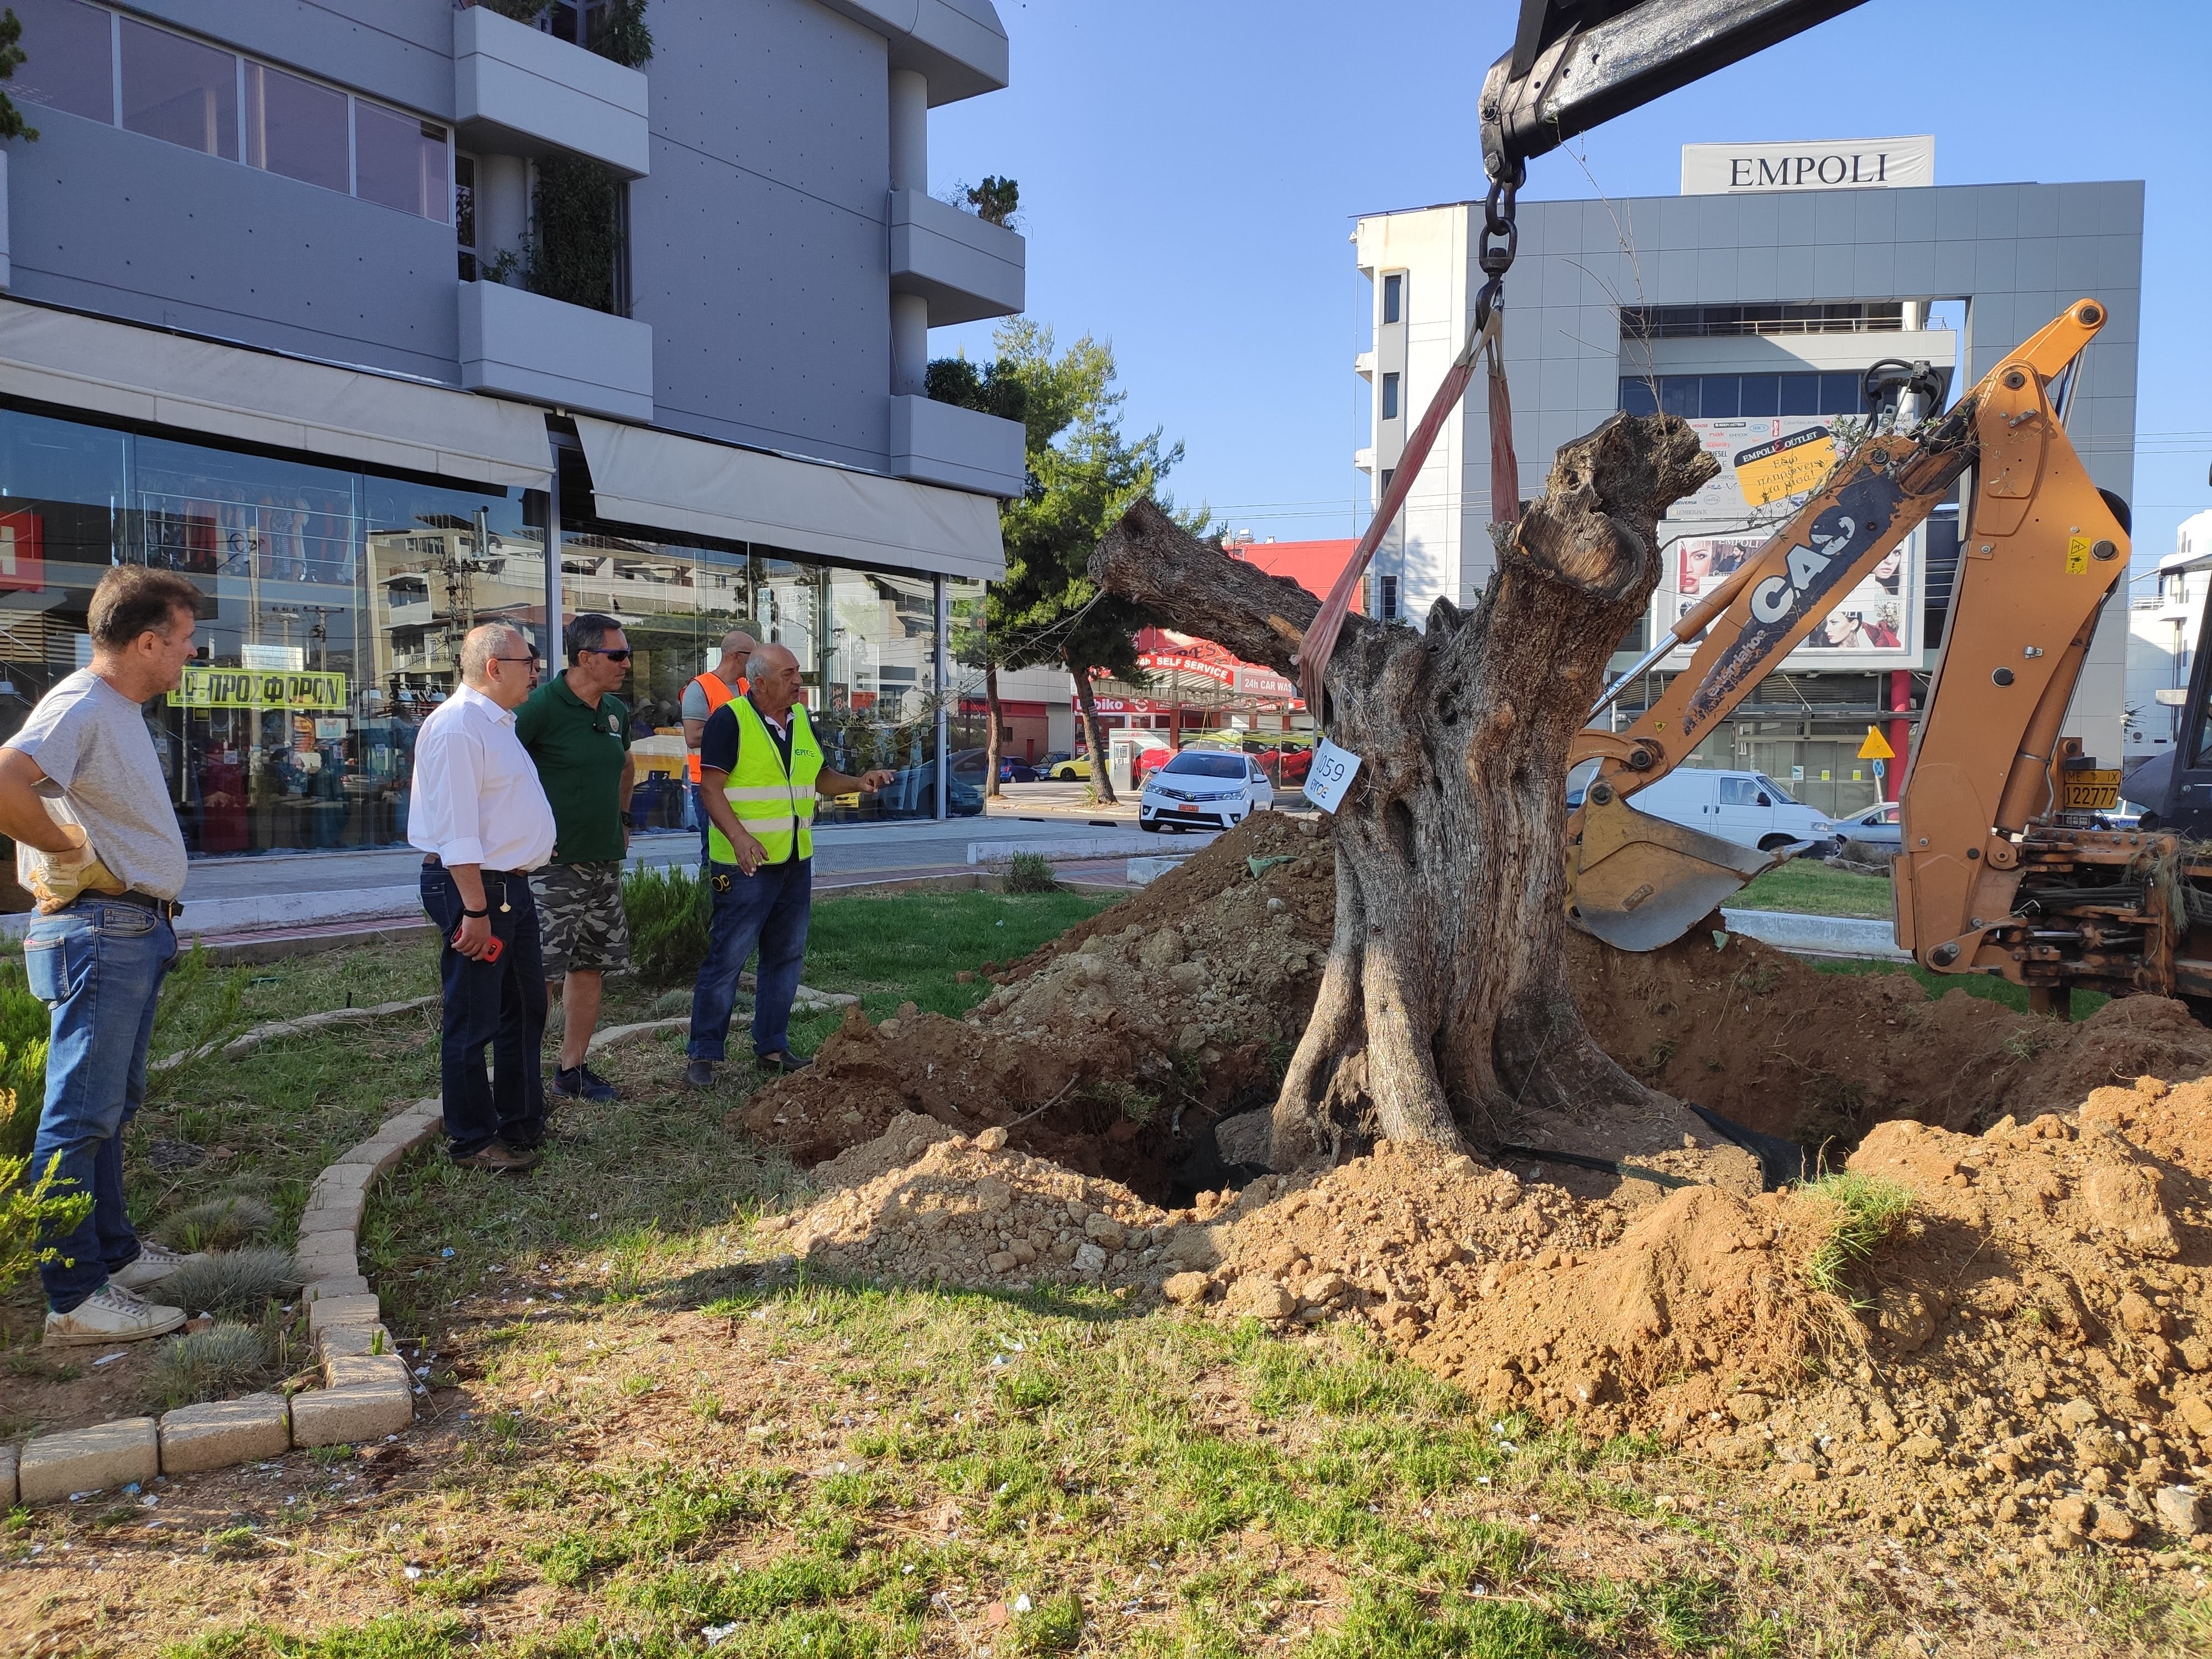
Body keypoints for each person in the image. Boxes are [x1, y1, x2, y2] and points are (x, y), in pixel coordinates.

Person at [0, 568, 204, 1345]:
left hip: (123, 929)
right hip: (98, 930)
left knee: (105, 1109)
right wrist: (67, 847)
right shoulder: (81, 703)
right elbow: (5, 781)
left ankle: (112, 1254)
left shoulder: (110, 709)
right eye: (184, 641)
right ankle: (75, 1297)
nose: (188, 655)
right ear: (149, 641)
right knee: (79, 1116)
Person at [685, 643, 895, 1087]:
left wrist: (859, 782)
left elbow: (818, 778)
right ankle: (703, 1056)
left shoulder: (801, 721)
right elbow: (711, 790)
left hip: (795, 860)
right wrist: (739, 838)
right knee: (727, 959)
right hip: (744, 866)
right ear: (759, 682)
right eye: (788, 674)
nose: (799, 682)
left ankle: (772, 1047)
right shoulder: (730, 720)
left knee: (785, 957)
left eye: (799, 673)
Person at [410, 622, 557, 1172]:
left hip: (507, 886)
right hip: (475, 889)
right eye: (529, 662)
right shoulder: (457, 727)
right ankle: (472, 1141)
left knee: (525, 1009)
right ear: (494, 668)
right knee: (473, 1018)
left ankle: (520, 1125)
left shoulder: (496, 723)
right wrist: (473, 909)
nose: (536, 671)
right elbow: (457, 832)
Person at [516, 612, 637, 1102]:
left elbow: (627, 766)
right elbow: (499, 774)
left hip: (602, 861)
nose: (627, 664)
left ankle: (573, 1070)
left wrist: (625, 821)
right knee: (540, 973)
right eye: (618, 655)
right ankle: (522, 1075)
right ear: (585, 658)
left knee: (591, 965)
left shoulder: (614, 713)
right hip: (550, 867)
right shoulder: (538, 709)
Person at [682, 628, 758, 863]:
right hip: (709, 782)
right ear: (735, 656)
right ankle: (711, 897)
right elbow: (693, 737)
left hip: (744, 779)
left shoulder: (748, 687)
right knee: (714, 850)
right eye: (752, 656)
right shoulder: (700, 688)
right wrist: (735, 731)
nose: (757, 662)